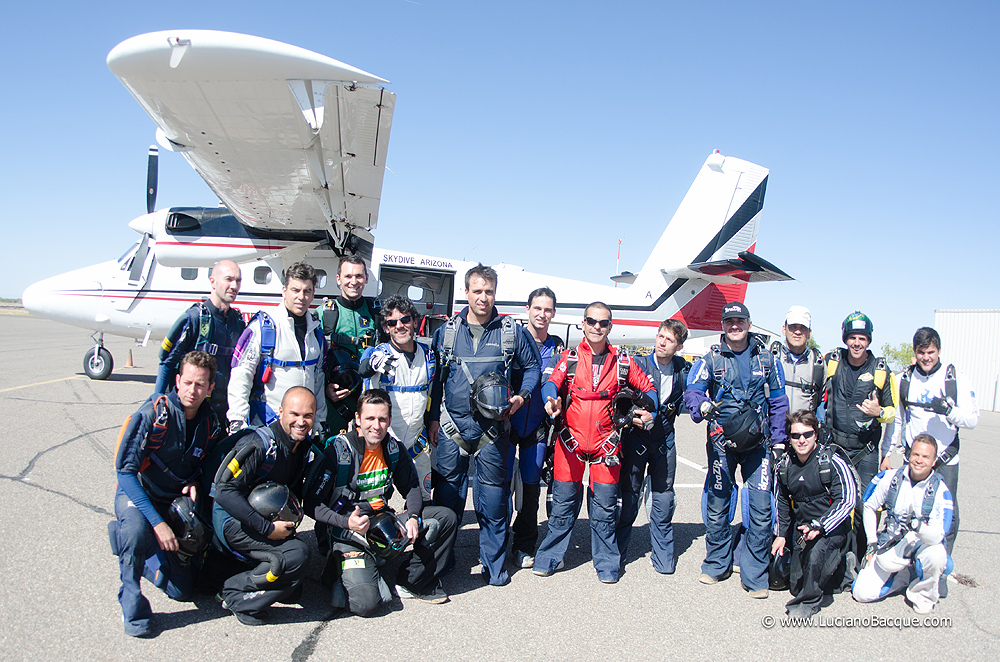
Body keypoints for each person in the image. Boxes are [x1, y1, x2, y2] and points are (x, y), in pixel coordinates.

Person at [428, 263, 541, 586]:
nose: (483, 297)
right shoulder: (447, 332)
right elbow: (437, 380)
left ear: (495, 293)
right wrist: (434, 418)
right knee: (447, 499)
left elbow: (531, 367)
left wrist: (521, 396)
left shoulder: (510, 332)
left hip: (493, 431)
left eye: (489, 291)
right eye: (477, 291)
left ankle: (493, 564)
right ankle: (442, 563)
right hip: (452, 428)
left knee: (493, 501)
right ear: (466, 292)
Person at [304, 390, 458, 615]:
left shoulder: (393, 448)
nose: (376, 426)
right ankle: (337, 567)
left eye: (382, 419)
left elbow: (413, 487)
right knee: (366, 604)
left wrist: (414, 516)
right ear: (357, 419)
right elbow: (311, 503)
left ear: (389, 419)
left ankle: (410, 581)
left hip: (384, 525)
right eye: (370, 419)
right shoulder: (337, 452)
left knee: (444, 518)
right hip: (349, 533)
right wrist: (345, 522)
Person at [533, 302, 656, 584]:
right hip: (570, 443)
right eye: (591, 321)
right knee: (563, 506)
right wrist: (550, 400)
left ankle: (607, 563)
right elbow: (551, 383)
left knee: (604, 509)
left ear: (610, 327)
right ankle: (549, 557)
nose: (597, 327)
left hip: (607, 446)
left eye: (603, 323)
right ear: (583, 324)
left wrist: (650, 408)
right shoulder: (570, 358)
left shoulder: (623, 361)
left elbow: (649, 391)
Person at [110, 350, 223, 636]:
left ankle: (141, 552)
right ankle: (132, 603)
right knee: (136, 531)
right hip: (139, 495)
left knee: (182, 591)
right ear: (177, 380)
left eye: (200, 385)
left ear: (210, 388)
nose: (192, 391)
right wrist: (158, 524)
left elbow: (204, 465)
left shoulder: (211, 423)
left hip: (174, 501)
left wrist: (195, 482)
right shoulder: (152, 413)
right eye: (187, 383)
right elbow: (125, 472)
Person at [684, 301, 788, 599]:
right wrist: (700, 404)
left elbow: (779, 403)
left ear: (749, 324)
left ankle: (755, 574)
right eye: (729, 321)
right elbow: (693, 390)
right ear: (723, 326)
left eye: (740, 321)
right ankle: (716, 564)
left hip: (759, 445)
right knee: (718, 504)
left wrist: (779, 441)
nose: (735, 326)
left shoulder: (767, 360)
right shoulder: (710, 359)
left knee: (760, 507)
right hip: (721, 444)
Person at [885, 327, 977, 596]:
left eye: (931, 352)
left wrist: (950, 411)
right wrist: (890, 451)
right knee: (907, 512)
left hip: (945, 460)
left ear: (939, 351)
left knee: (945, 518)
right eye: (922, 353)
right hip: (914, 460)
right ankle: (909, 566)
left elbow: (972, 419)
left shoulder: (954, 378)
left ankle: (939, 570)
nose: (927, 357)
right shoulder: (904, 379)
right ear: (915, 353)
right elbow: (900, 418)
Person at [212, 387, 316, 625]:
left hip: (261, 519)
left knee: (294, 585)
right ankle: (234, 593)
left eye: (307, 415)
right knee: (296, 556)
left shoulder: (301, 447)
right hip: (231, 520)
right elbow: (224, 492)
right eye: (294, 414)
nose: (301, 421)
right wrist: (268, 529)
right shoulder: (260, 444)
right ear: (280, 412)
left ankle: (262, 574)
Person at [822, 311, 898, 559]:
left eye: (862, 338)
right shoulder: (832, 361)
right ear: (845, 338)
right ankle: (834, 557)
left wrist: (879, 412)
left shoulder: (881, 371)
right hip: (835, 446)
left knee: (865, 506)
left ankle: (864, 557)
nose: (857, 343)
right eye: (852, 337)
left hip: (865, 451)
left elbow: (892, 412)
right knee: (833, 501)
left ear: (869, 340)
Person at [616, 318, 689, 575]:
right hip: (636, 439)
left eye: (669, 340)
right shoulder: (639, 365)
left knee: (663, 500)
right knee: (629, 499)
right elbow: (620, 398)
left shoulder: (684, 370)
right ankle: (617, 553)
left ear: (678, 346)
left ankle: (662, 557)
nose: (662, 342)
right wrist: (635, 414)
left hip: (665, 441)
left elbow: (696, 395)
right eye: (660, 336)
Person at [853, 434, 954, 614]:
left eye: (925, 457)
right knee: (861, 593)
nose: (919, 460)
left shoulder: (940, 491)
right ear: (908, 455)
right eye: (916, 454)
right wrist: (872, 543)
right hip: (892, 543)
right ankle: (902, 577)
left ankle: (922, 593)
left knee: (938, 556)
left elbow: (938, 535)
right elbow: (869, 506)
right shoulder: (890, 478)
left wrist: (919, 527)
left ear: (934, 461)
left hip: (922, 545)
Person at [772, 410, 857, 617]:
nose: (802, 440)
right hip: (803, 530)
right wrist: (781, 535)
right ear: (789, 438)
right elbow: (781, 501)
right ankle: (842, 570)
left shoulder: (832, 462)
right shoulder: (784, 466)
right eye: (795, 435)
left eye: (807, 434)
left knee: (816, 558)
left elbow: (847, 500)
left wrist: (820, 525)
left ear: (816, 435)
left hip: (832, 528)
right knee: (795, 584)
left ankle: (807, 604)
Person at [227, 261, 327, 434]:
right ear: (284, 291)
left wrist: (319, 421)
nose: (301, 297)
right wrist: (237, 419)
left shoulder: (316, 333)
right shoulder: (264, 327)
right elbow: (241, 374)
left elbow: (318, 379)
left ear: (313, 295)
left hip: (303, 429)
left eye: (307, 291)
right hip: (268, 425)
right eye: (295, 290)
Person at [358, 295, 436, 502]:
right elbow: (364, 369)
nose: (399, 326)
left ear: (415, 322)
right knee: (374, 504)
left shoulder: (428, 356)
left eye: (405, 320)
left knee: (423, 501)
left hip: (417, 443)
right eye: (392, 322)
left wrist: (434, 421)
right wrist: (372, 361)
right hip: (383, 441)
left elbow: (434, 394)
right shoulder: (380, 354)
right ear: (386, 328)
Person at [508, 287, 563, 568]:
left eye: (548, 310)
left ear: (553, 313)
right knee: (499, 488)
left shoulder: (558, 347)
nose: (542, 314)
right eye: (537, 308)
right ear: (527, 309)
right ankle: (494, 544)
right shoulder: (512, 340)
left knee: (531, 490)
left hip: (537, 429)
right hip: (506, 426)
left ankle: (524, 544)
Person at [153, 260, 245, 424]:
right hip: (192, 412)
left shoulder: (238, 323)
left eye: (238, 281)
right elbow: (167, 362)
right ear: (213, 282)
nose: (234, 286)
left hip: (224, 414)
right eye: (229, 279)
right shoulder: (194, 319)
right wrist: (158, 403)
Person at [322, 255, 386, 434]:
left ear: (366, 279)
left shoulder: (376, 312)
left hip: (369, 399)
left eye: (358, 276)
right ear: (338, 279)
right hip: (335, 402)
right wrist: (325, 387)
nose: (353, 281)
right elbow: (312, 360)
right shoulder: (325, 313)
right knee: (332, 454)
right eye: (348, 276)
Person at [770, 306, 824, 415]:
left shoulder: (818, 364)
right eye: (793, 327)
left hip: (803, 430)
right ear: (784, 329)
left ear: (809, 333)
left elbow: (821, 404)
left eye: (803, 327)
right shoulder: (771, 358)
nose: (798, 332)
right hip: (774, 429)